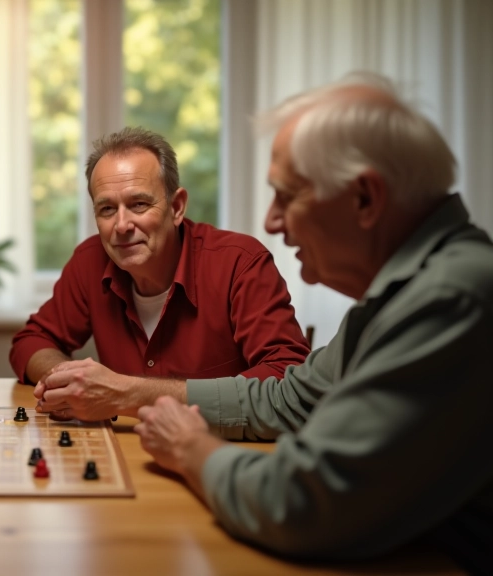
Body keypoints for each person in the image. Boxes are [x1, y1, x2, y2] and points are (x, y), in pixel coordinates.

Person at [134, 72, 493, 573]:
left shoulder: (450, 297)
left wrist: (190, 448)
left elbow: (302, 503)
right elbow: (292, 398)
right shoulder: (404, 291)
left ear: (365, 199)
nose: (271, 222)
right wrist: (136, 395)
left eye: (288, 195)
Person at [12, 127, 310, 421]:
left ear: (177, 207)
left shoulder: (239, 263)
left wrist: (129, 393)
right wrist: (66, 379)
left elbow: (286, 379)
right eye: (106, 209)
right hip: (127, 452)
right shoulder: (90, 261)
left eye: (139, 204)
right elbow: (32, 341)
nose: (122, 225)